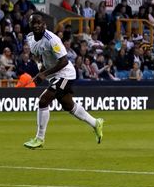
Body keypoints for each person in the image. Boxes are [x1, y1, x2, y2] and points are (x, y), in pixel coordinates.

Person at [21, 13, 103, 149]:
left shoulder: (52, 39)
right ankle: (95, 123)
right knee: (68, 105)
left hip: (65, 74)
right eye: (33, 23)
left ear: (44, 25)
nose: (36, 25)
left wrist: (44, 74)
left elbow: (64, 61)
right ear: (30, 25)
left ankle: (39, 138)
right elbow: (35, 55)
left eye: (39, 23)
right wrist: (40, 67)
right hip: (53, 75)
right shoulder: (30, 38)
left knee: (43, 101)